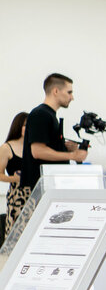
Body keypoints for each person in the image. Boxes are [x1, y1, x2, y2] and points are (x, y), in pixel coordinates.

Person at [13, 74, 85, 232]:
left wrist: (64, 148)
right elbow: (38, 151)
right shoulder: (41, 114)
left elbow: (45, 147)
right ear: (56, 91)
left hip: (48, 186)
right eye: (69, 92)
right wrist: (72, 156)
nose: (72, 97)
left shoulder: (49, 116)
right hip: (39, 187)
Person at [2, 111, 27, 243]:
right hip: (17, 196)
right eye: (25, 125)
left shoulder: (33, 147)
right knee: (16, 235)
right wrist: (14, 179)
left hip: (34, 195)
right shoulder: (7, 147)